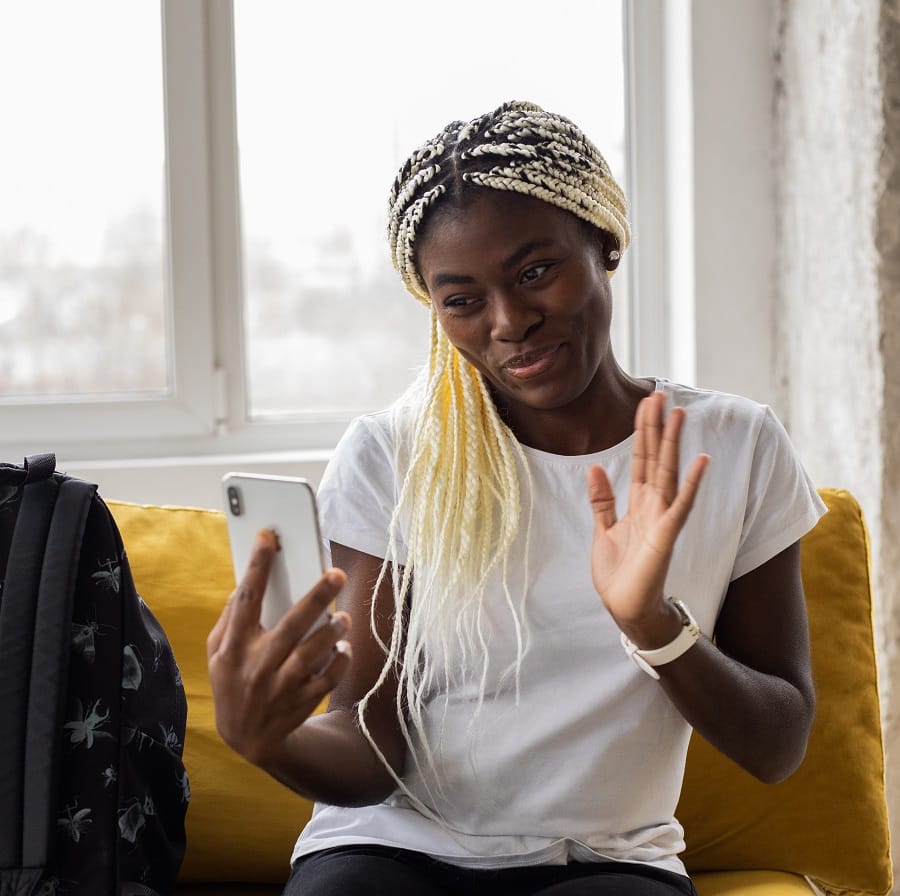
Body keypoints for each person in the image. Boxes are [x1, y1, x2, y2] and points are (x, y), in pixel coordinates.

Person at [207, 101, 826, 895]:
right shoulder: (392, 456)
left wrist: (654, 626)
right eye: (462, 299)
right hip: (391, 849)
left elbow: (778, 747)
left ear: (603, 243)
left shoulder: (736, 446)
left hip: (605, 859)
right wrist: (270, 743)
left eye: (536, 272)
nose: (510, 321)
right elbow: (371, 749)